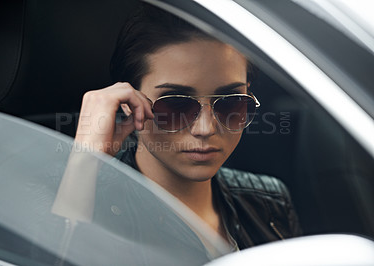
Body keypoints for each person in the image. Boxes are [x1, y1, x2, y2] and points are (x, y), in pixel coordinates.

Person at [52, 2, 302, 259]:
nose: (205, 128)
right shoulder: (74, 202)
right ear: (129, 103)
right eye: (175, 105)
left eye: (230, 102)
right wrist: (83, 163)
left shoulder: (269, 202)